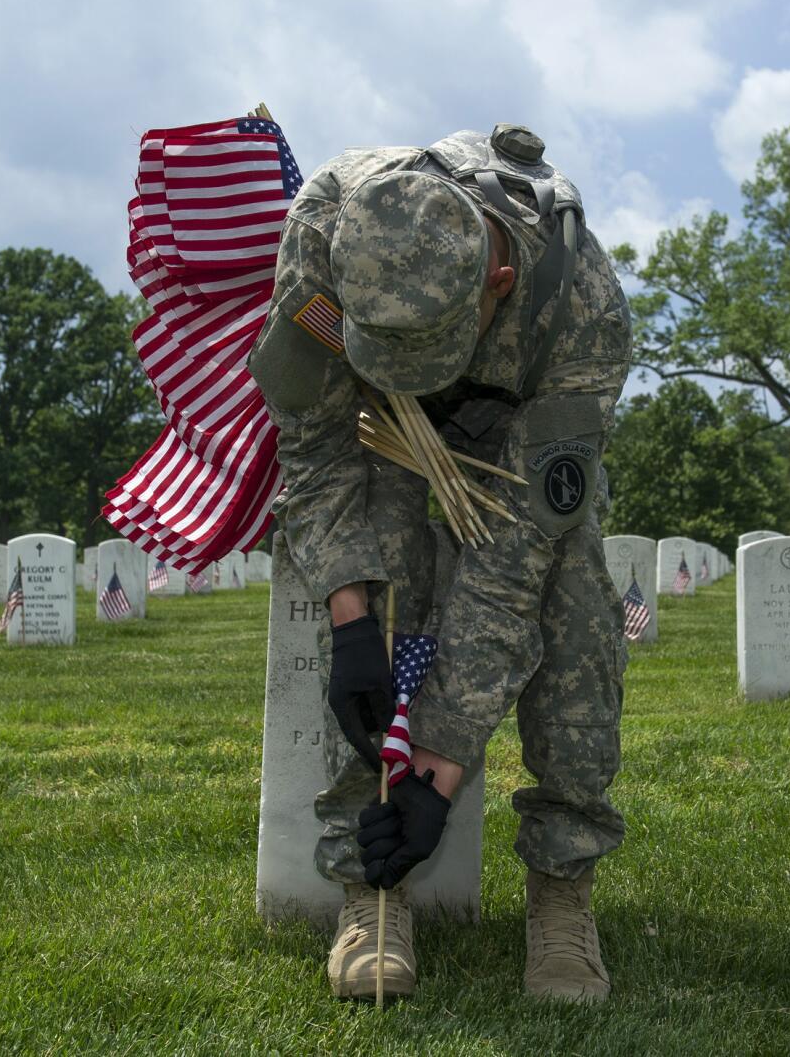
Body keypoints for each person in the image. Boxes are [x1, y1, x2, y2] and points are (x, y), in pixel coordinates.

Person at [247, 125, 631, 1003]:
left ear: (497, 282)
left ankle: (563, 891)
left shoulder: (582, 305)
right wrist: (351, 620)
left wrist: (441, 768)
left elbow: (510, 569)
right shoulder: (324, 230)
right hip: (376, 422)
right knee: (386, 590)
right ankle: (370, 890)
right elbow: (315, 447)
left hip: (513, 433)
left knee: (573, 615)